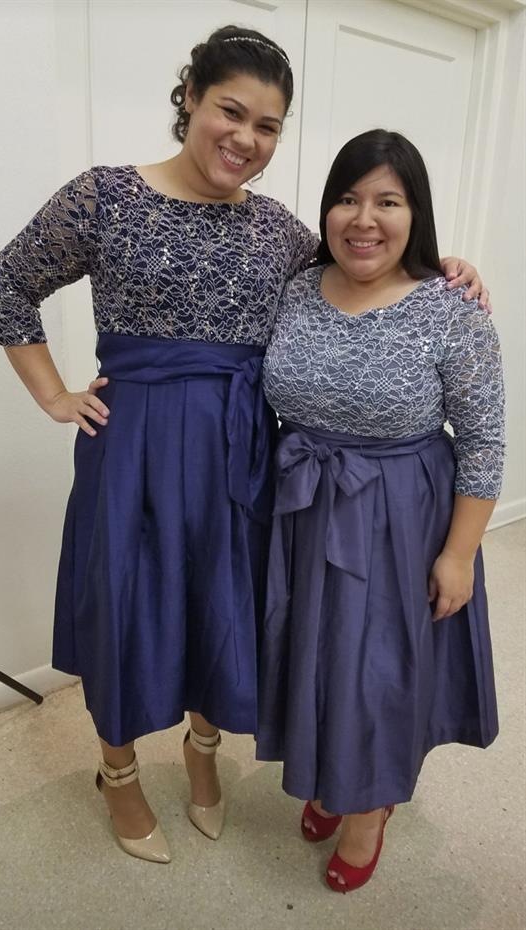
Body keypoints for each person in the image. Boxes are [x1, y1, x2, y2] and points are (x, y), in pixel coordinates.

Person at [0, 24, 486, 865]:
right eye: (231, 111)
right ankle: (117, 775)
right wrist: (52, 393)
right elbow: (7, 285)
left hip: (241, 445)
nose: (246, 139)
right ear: (189, 99)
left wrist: (448, 266)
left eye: (268, 126)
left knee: (227, 603)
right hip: (134, 444)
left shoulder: (281, 232)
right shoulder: (103, 196)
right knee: (126, 602)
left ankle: (202, 752)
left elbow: (362, 257)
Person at [256, 129, 504, 894]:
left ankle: (370, 807)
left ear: (414, 213)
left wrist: (457, 553)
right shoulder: (297, 284)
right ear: (326, 209)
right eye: (347, 198)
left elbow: (486, 438)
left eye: (387, 201)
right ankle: (334, 774)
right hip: (301, 504)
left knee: (377, 669)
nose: (363, 219)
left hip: (398, 513)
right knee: (313, 653)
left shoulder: (449, 306)